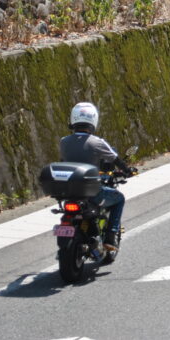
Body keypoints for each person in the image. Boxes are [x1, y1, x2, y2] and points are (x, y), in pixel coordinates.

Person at [59, 102, 134, 252]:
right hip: (91, 191)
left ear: (73, 119)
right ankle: (111, 236)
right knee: (119, 199)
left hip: (69, 192)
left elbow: (64, 161)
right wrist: (127, 170)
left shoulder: (64, 141)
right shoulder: (97, 142)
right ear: (93, 120)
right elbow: (115, 159)